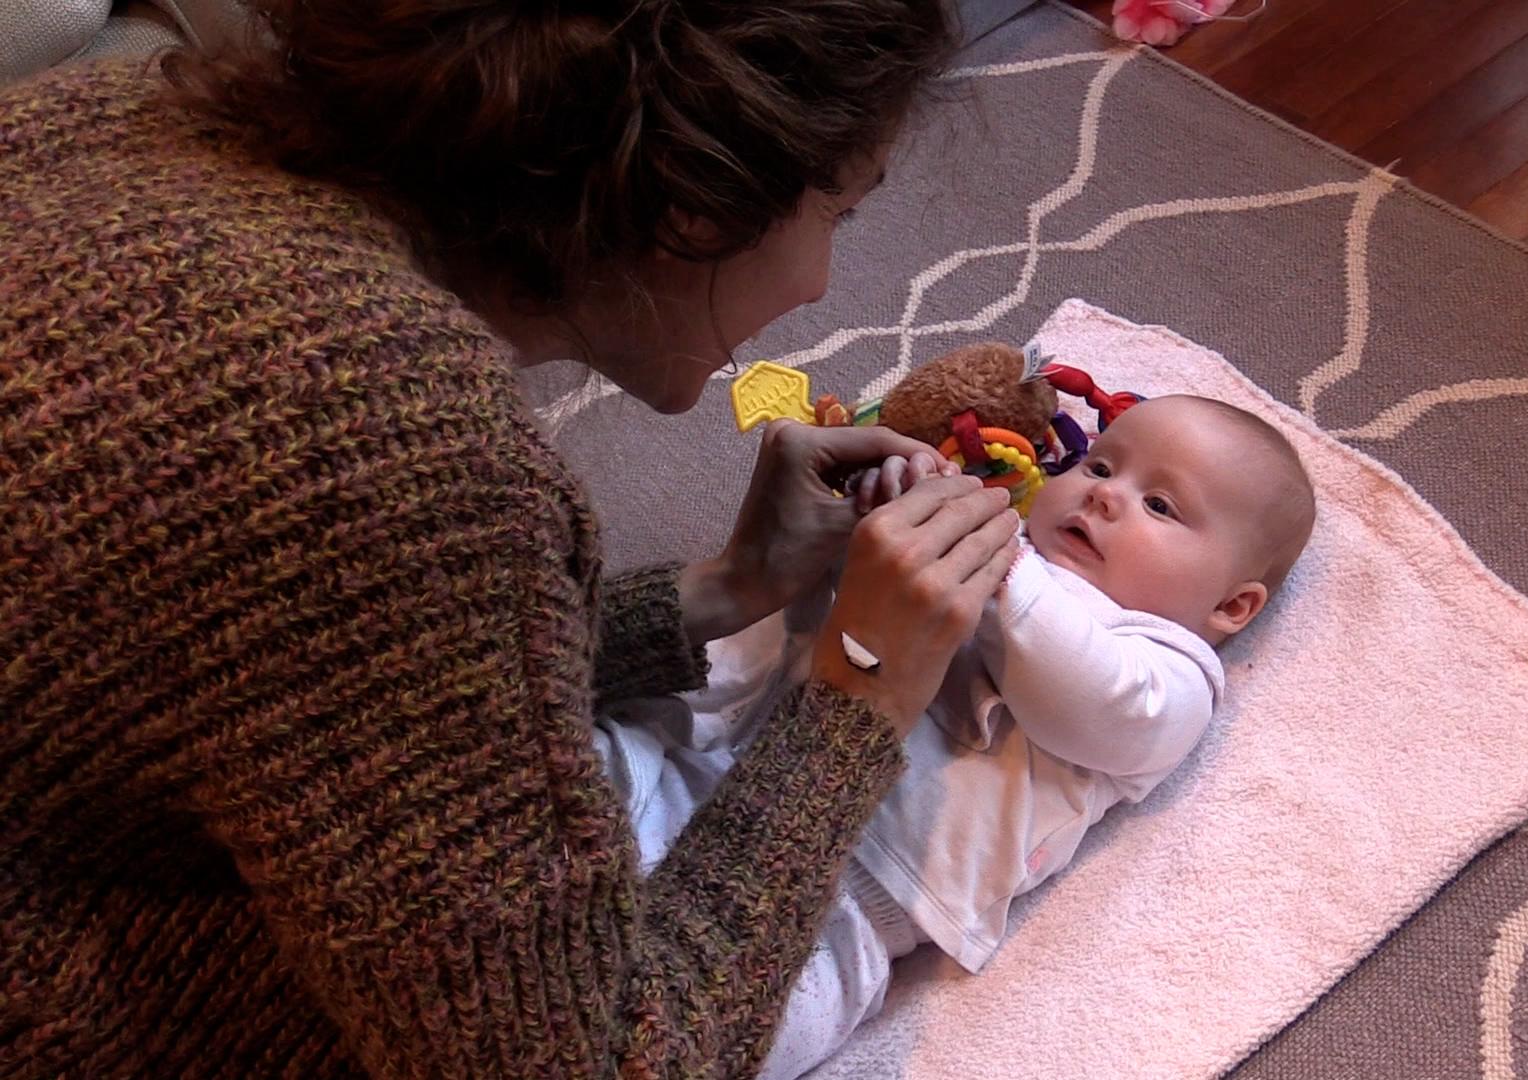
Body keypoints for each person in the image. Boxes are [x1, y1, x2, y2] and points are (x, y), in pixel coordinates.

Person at [0, 1, 1026, 1077]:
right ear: (698, 199)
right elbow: (599, 1063)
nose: (821, 283)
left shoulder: (120, 112)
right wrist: (859, 698)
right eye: (842, 214)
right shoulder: (386, 436)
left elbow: (320, 690)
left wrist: (725, 588)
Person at [598, 394, 1318, 1078]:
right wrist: (893, 506)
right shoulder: (1007, 552)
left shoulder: (1167, 669)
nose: (1104, 494)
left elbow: (1100, 699)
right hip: (709, 766)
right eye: (1099, 465)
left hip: (846, 912)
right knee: (590, 778)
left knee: (752, 1029)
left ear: (1232, 605)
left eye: (1160, 506)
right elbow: (854, 597)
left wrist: (1004, 570)